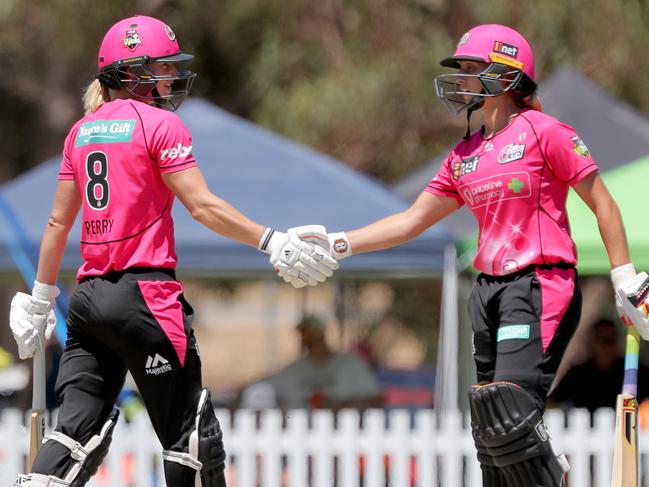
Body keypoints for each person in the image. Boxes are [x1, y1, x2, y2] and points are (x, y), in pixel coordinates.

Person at [291, 24, 646, 487]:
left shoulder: (545, 132)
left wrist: (623, 277)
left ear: (505, 74)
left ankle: (551, 473)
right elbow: (411, 220)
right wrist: (338, 244)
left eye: (471, 70)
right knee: (490, 426)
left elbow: (603, 202)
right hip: (487, 291)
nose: (461, 81)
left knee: (512, 410)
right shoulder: (466, 154)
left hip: (538, 285)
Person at [7, 15, 337, 487]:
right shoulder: (160, 125)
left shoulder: (81, 133)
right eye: (161, 68)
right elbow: (202, 206)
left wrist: (41, 298)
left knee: (74, 434)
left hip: (88, 302)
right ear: (131, 72)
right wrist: (272, 240)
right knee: (191, 440)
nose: (170, 78)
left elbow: (58, 221)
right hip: (146, 298)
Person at [244, 315, 383, 411]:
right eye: (303, 334)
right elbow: (266, 385)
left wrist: (342, 405)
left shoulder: (350, 363)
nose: (306, 338)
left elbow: (377, 400)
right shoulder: (296, 368)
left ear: (321, 334)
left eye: (310, 333)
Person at [550, 317, 649, 412]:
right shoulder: (578, 374)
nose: (608, 346)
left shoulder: (634, 372)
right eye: (604, 339)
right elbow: (553, 402)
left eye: (612, 340)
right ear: (593, 342)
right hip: (582, 427)